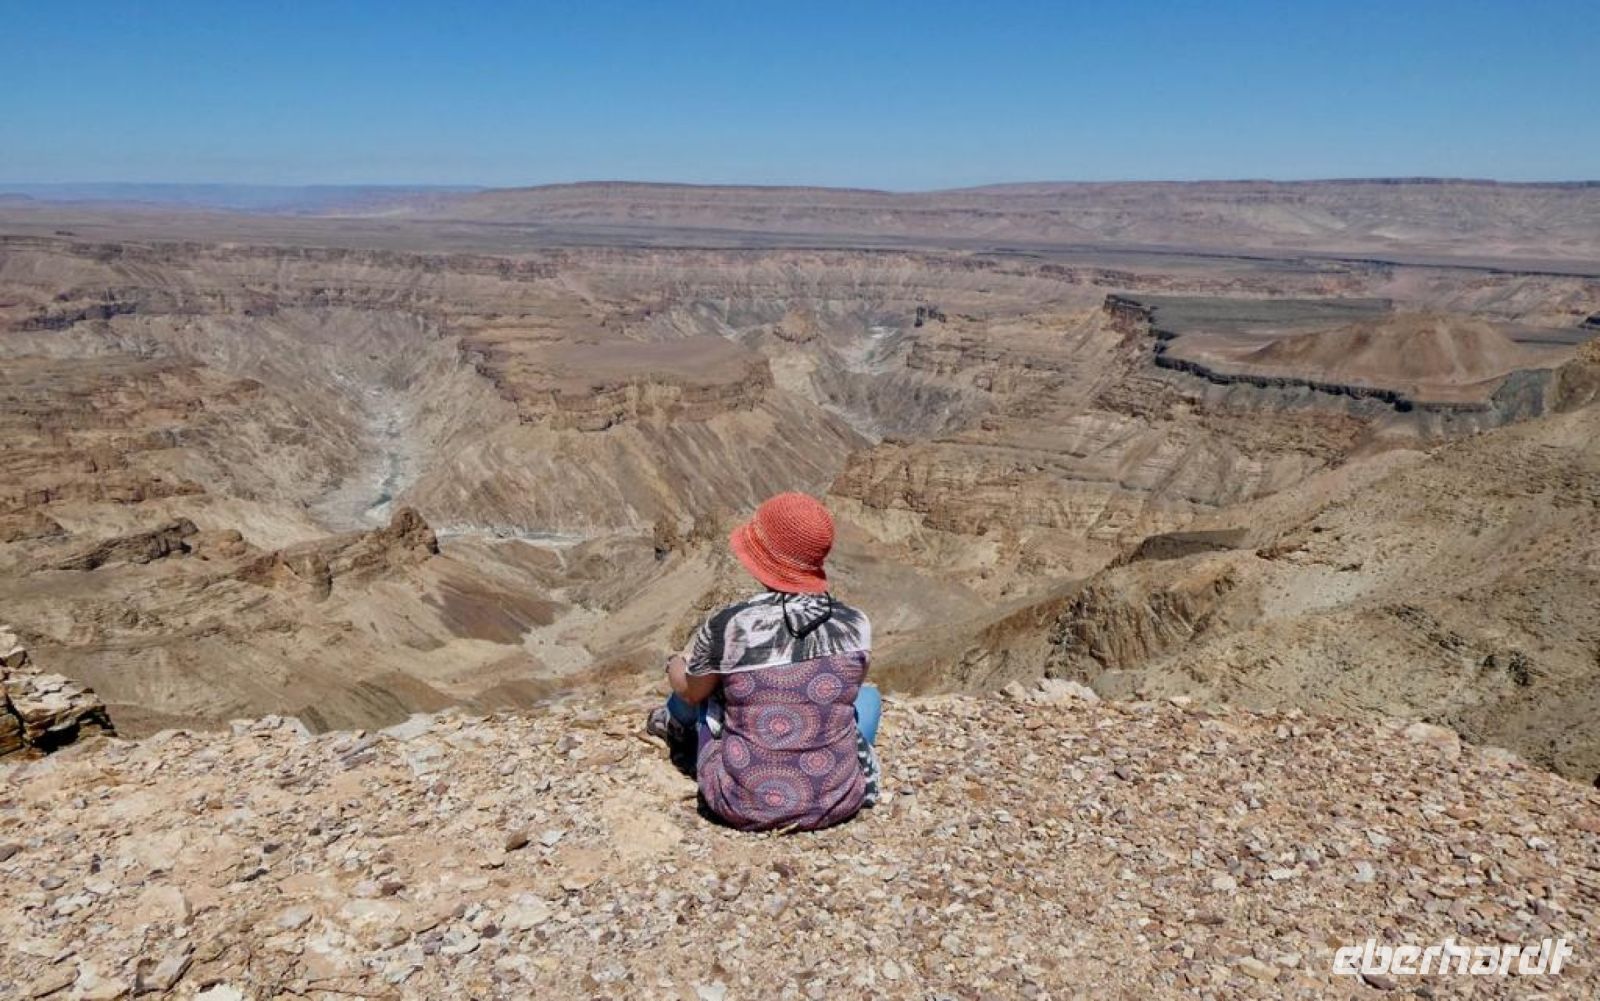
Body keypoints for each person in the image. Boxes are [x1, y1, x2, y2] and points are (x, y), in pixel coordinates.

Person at [648, 492, 880, 832]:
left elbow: (690, 692)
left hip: (741, 804)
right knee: (869, 698)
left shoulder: (731, 625)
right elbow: (845, 689)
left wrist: (674, 665)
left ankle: (673, 728)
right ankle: (834, 769)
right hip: (838, 801)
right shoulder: (855, 623)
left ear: (764, 556)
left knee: (703, 693)